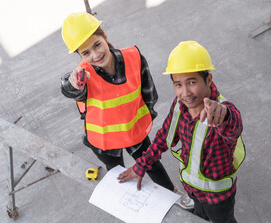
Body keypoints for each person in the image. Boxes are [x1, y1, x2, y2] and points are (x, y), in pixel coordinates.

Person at [60, 12, 193, 209]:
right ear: (80, 56)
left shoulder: (133, 58)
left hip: (133, 130)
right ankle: (132, 205)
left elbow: (149, 93)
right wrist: (74, 85)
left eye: (97, 45)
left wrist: (145, 118)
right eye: (85, 53)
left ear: (104, 37)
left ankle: (171, 193)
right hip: (103, 139)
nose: (95, 55)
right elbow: (68, 87)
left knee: (152, 164)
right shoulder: (82, 76)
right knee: (118, 173)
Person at [118, 41, 245, 223]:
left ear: (208, 79)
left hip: (218, 197)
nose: (185, 92)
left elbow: (233, 126)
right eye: (178, 84)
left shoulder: (221, 111)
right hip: (192, 190)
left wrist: (224, 115)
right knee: (199, 219)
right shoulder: (180, 105)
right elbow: (162, 138)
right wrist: (140, 166)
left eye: (192, 82)